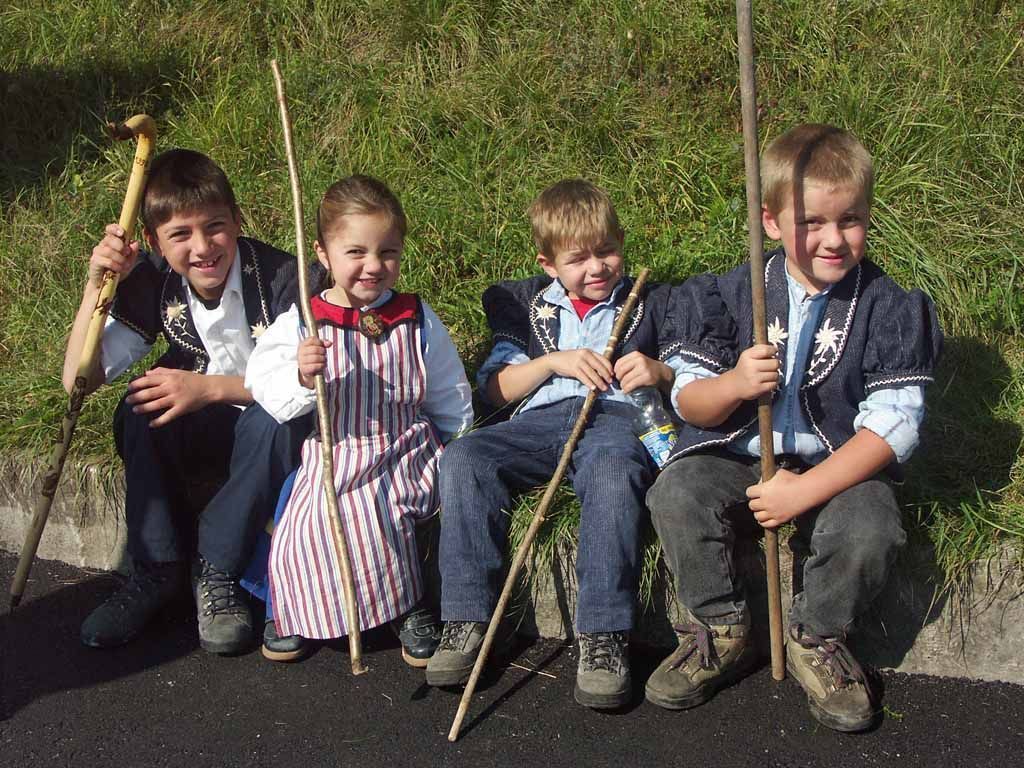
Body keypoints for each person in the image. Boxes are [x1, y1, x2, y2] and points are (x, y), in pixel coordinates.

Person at [644, 124, 943, 732]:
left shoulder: (886, 306)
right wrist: (732, 384)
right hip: (736, 451)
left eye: (851, 219)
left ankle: (817, 636)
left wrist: (804, 492)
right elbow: (689, 402)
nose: (833, 239)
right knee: (677, 493)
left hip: (836, 459)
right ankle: (719, 625)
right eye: (811, 222)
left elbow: (893, 429)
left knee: (872, 525)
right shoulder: (729, 294)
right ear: (772, 222)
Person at [426, 179, 681, 709]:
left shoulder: (648, 303)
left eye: (607, 250)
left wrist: (657, 372)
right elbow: (493, 392)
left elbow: (684, 378)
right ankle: (467, 618)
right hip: (539, 423)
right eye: (578, 259)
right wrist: (550, 362)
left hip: (614, 420)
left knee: (613, 471)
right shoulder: (528, 310)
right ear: (549, 265)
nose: (597, 268)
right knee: (467, 457)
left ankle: (603, 634)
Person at [65, 148, 311, 654]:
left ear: (238, 221)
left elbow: (303, 384)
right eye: (180, 235)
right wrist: (97, 288)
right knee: (141, 404)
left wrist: (208, 388)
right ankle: (157, 570)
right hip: (207, 428)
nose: (202, 247)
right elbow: (79, 381)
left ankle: (219, 571)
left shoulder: (288, 278)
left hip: (276, 428)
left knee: (273, 423)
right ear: (154, 241)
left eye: (215, 227)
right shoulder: (155, 279)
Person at [245, 175, 473, 666]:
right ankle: (297, 611)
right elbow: (262, 381)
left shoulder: (414, 316)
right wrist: (302, 377)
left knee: (376, 511)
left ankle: (405, 605)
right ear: (323, 254)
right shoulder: (306, 319)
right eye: (356, 253)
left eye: (388, 253)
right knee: (303, 521)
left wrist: (455, 441)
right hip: (336, 447)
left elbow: (448, 388)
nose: (374, 266)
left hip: (403, 445)